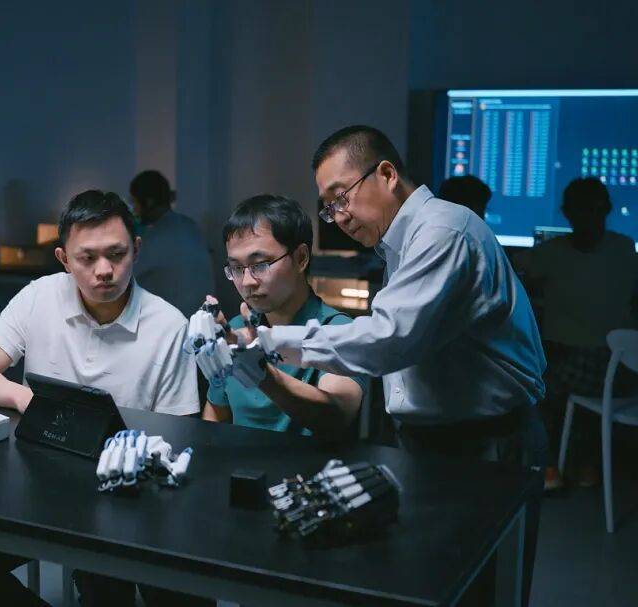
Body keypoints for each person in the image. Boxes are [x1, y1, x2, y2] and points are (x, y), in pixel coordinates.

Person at [244, 125, 546, 606]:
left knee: (481, 590)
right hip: (432, 442)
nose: (338, 217)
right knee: (432, 582)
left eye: (340, 197)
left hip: (486, 441)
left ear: (386, 174)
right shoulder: (399, 244)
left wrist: (270, 342)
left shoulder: (444, 231)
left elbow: (390, 339)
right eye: (329, 207)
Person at [0, 190, 208, 607]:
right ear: (64, 259)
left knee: (153, 589)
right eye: (87, 258)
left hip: (124, 495)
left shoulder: (168, 326)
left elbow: (178, 438)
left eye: (117, 254)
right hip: (39, 486)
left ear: (137, 248)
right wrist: (27, 400)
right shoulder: (39, 296)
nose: (104, 270)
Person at [196, 194, 366, 438]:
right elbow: (215, 415)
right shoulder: (235, 330)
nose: (247, 282)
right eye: (236, 268)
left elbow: (337, 415)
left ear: (301, 258)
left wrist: (262, 374)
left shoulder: (338, 330)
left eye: (260, 264)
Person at [517, 177, 638, 491]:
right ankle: (586, 465)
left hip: (572, 366)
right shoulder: (625, 248)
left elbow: (518, 278)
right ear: (607, 209)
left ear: (565, 213)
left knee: (530, 382)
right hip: (620, 368)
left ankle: (547, 468)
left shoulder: (551, 252)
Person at [129, 170, 216, 318]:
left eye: (134, 203)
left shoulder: (156, 236)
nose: (134, 210)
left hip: (178, 322)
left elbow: (125, 274)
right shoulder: (190, 226)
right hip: (205, 319)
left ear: (148, 202)